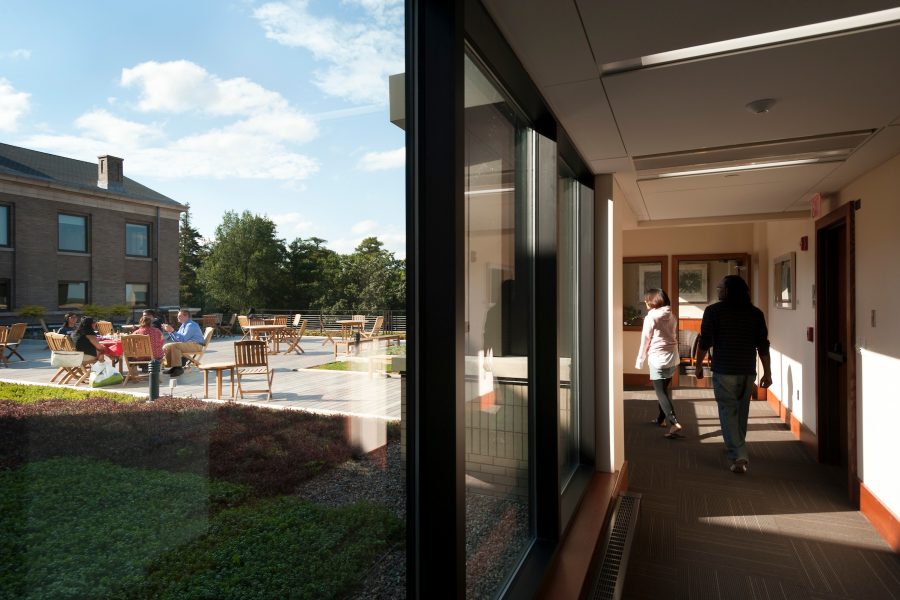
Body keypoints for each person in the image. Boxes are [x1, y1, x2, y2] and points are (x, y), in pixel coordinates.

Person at [695, 275, 772, 474]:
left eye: (720, 287)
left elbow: (705, 341)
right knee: (741, 411)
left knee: (728, 411)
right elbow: (763, 345)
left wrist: (698, 365)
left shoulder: (713, 311)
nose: (717, 290)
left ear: (727, 291)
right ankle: (736, 445)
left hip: (725, 369)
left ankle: (739, 454)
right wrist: (768, 372)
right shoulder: (755, 313)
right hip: (747, 371)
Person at [634, 288, 682, 438]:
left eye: (647, 300)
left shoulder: (651, 318)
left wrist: (640, 360)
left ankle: (674, 423)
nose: (645, 303)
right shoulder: (672, 315)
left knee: (660, 393)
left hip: (658, 358)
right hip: (673, 358)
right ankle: (661, 419)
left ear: (654, 301)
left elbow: (645, 341)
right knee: (664, 390)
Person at [161, 308, 205, 376]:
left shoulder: (190, 325)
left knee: (174, 346)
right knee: (166, 346)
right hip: (189, 344)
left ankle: (178, 368)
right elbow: (177, 340)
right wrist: (170, 331)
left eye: (179, 316)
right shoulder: (183, 325)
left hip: (196, 345)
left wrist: (172, 331)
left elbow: (183, 339)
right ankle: (174, 367)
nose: (177, 317)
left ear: (186, 316)